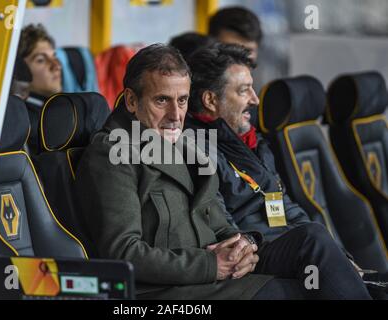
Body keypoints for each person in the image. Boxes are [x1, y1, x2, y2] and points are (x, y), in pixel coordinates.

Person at [75, 43, 371, 299]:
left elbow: (218, 220)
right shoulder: (113, 152)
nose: (176, 116)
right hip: (169, 289)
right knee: (303, 291)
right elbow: (122, 253)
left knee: (312, 238)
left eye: (181, 101)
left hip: (219, 271)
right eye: (161, 100)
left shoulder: (187, 144)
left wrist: (245, 246)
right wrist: (210, 264)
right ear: (130, 100)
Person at [184, 43, 313, 242]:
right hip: (251, 257)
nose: (255, 100)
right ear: (210, 100)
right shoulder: (196, 149)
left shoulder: (255, 143)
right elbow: (223, 229)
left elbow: (283, 206)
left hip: (281, 246)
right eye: (244, 91)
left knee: (318, 238)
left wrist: (337, 252)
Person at [17, 24, 62, 153]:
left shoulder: (53, 110)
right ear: (19, 70)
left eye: (54, 57)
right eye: (41, 60)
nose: (56, 66)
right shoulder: (29, 125)